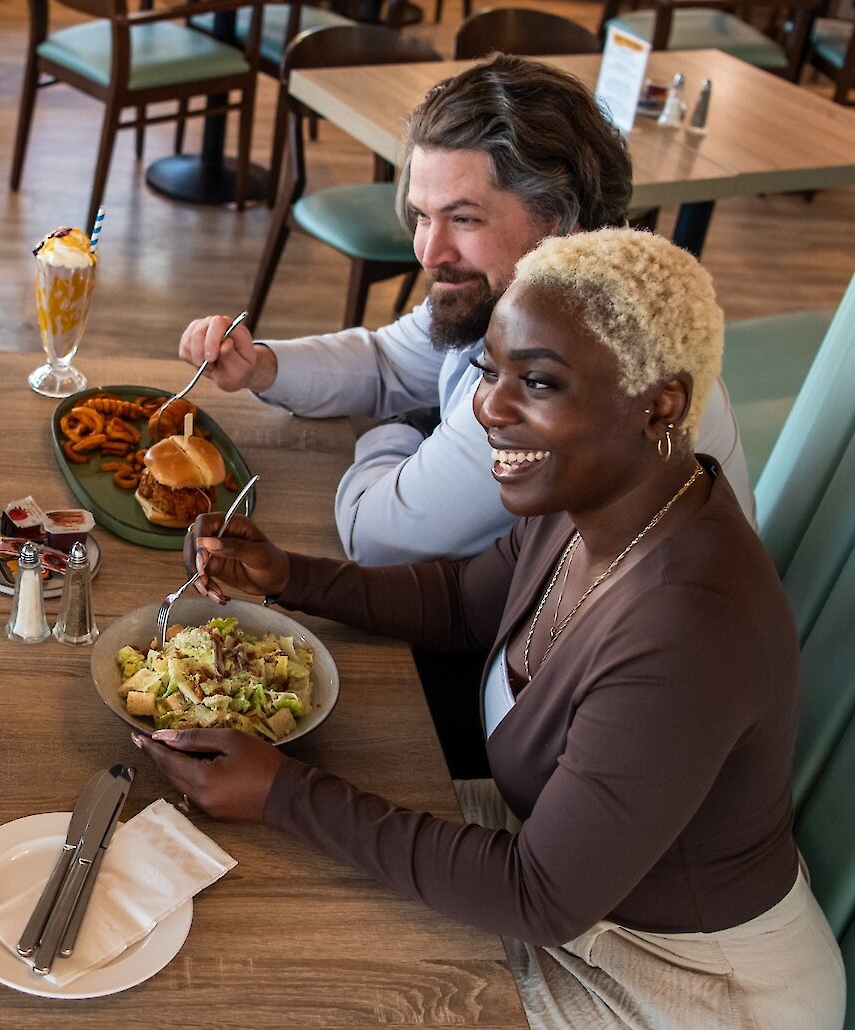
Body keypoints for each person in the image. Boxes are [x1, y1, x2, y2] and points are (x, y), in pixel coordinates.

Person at [140, 230, 844, 1027]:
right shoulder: (603, 500)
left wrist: (284, 792)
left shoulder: (689, 625)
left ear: (662, 404)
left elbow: (539, 895)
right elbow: (464, 603)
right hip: (560, 876)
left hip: (677, 977)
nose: (488, 410)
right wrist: (291, 576)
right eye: (488, 371)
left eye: (537, 383)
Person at [177, 54, 753, 568]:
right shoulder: (525, 297)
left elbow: (375, 534)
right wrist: (261, 366)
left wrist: (399, 428)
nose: (428, 251)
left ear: (559, 221)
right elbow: (387, 360)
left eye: (466, 219)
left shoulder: (568, 369)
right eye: (423, 216)